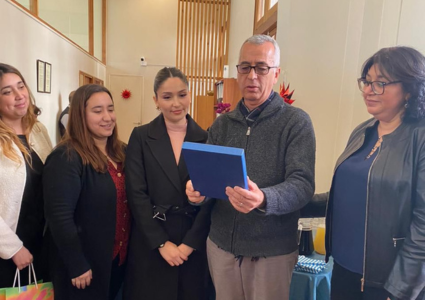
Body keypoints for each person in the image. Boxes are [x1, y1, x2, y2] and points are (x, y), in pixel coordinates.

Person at [186, 35, 316, 300]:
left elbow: (302, 184)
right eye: (245, 67)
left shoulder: (296, 123)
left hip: (271, 253)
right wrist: (198, 191)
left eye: (262, 67)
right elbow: (211, 178)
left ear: (276, 73)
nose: (252, 76)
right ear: (237, 72)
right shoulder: (222, 124)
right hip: (222, 248)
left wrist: (264, 198)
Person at [303, 46, 425, 300]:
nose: (369, 90)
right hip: (344, 269)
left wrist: (400, 290)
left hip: (388, 282)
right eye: (367, 82)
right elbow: (347, 196)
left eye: (380, 83)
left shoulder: (419, 138)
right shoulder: (363, 131)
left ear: (410, 90)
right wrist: (288, 201)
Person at [124, 67, 212, 300]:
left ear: (190, 95)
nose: (176, 103)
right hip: (152, 241)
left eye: (182, 95)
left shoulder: (206, 138)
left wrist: (189, 245)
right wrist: (162, 243)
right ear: (155, 100)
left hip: (192, 243)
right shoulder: (141, 137)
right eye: (167, 97)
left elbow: (212, 198)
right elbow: (136, 194)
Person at [43, 84, 129, 300]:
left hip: (117, 259)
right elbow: (59, 217)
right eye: (97, 111)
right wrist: (76, 264)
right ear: (80, 115)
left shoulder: (122, 151)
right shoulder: (67, 157)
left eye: (110, 109)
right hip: (85, 265)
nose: (107, 117)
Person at [0, 63, 52, 287]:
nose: (19, 95)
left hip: (42, 240)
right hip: (9, 247)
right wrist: (13, 248)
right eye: (7, 91)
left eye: (20, 86)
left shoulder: (38, 129)